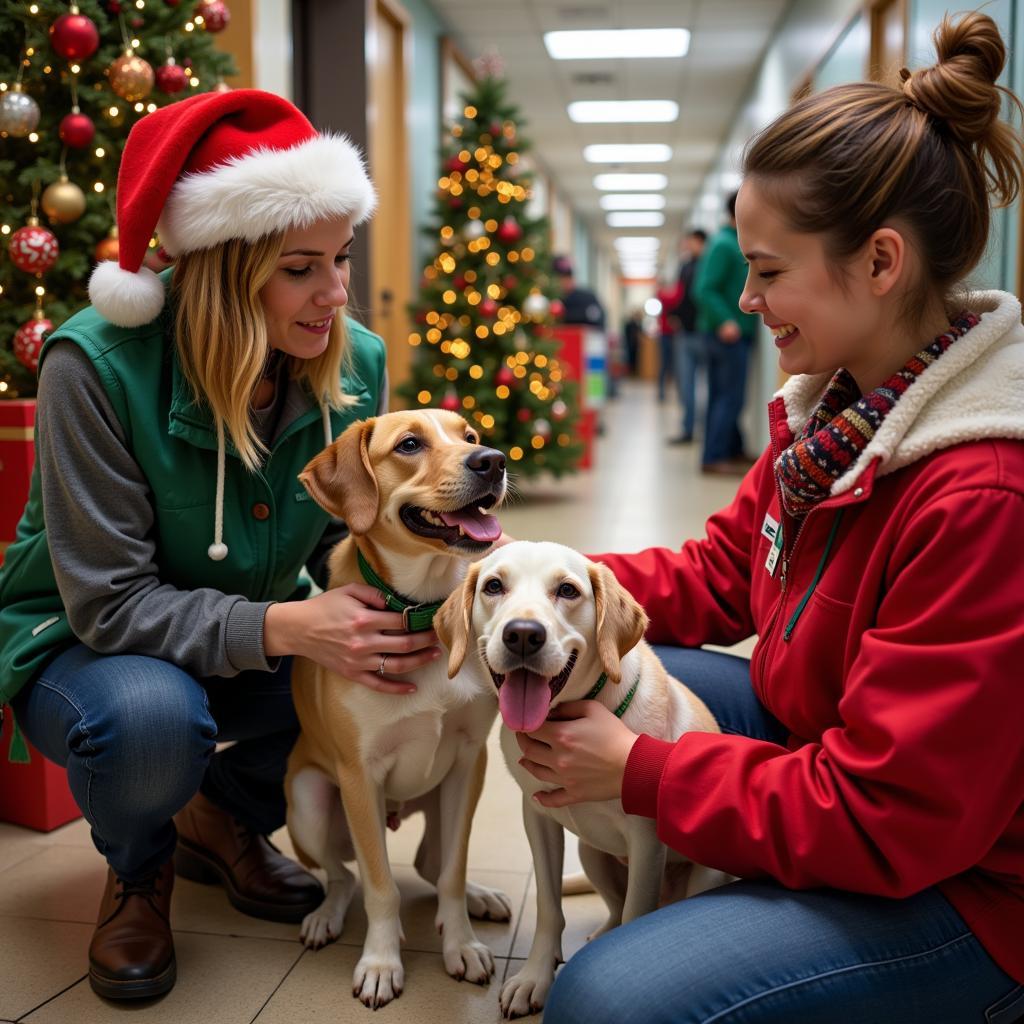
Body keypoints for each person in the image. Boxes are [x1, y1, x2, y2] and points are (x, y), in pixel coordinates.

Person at [513, 13, 1024, 1022]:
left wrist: (650, 773)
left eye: (769, 269)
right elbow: (716, 570)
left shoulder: (979, 497)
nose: (743, 299)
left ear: (880, 263)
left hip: (964, 887)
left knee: (606, 1000)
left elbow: (893, 813)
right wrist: (532, 577)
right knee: (609, 673)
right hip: (828, 747)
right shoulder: (836, 418)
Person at [0, 90, 444, 1001]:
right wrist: (292, 628)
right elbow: (107, 602)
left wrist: (404, 632)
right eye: (302, 268)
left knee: (387, 662)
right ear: (223, 272)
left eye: (342, 259)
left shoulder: (352, 362)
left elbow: (347, 536)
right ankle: (140, 865)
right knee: (153, 723)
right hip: (85, 645)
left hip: (255, 626)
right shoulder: (94, 369)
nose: (337, 291)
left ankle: (223, 814)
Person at [693, 192, 757, 474]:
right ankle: (714, 456)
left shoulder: (735, 243)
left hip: (736, 334)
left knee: (729, 396)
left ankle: (732, 448)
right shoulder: (723, 244)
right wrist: (726, 321)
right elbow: (704, 289)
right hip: (725, 336)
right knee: (728, 397)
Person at [668, 228, 708, 444]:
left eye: (692, 242)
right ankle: (688, 428)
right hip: (685, 333)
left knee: (706, 386)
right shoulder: (684, 267)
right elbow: (680, 297)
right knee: (686, 385)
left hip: (703, 334)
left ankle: (706, 429)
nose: (688, 246)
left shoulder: (707, 266)